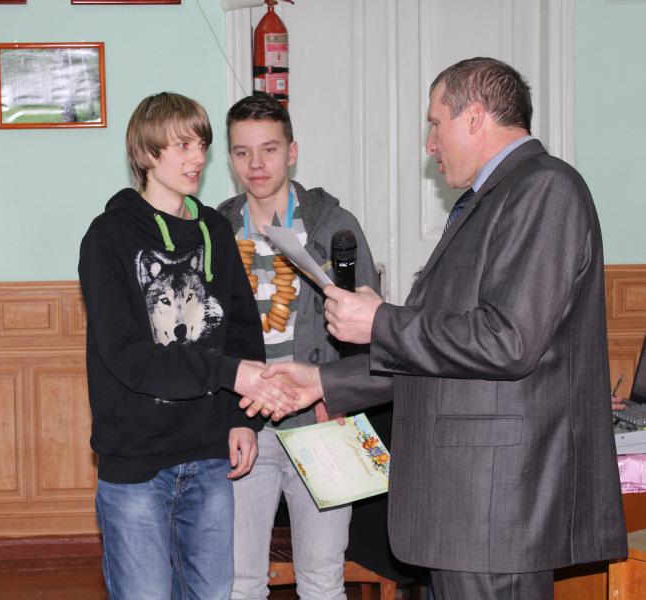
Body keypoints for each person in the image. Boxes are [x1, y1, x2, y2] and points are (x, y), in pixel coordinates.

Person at [248, 57, 628, 599]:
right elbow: (443, 351)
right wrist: (324, 381)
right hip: (467, 508)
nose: (430, 144)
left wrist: (381, 320)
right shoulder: (488, 200)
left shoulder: (544, 188)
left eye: (435, 124)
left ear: (474, 117)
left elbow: (508, 341)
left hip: (498, 508)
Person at [78, 91, 295, 600]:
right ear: (146, 153)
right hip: (136, 464)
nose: (197, 157)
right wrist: (227, 373)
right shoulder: (107, 236)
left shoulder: (214, 229)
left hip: (211, 456)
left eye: (201, 144)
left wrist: (243, 418)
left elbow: (242, 330)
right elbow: (127, 356)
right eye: (181, 146)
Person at [216, 94, 378, 600]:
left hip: (323, 420)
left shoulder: (334, 226)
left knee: (323, 579)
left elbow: (371, 328)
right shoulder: (216, 229)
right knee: (240, 582)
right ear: (229, 157)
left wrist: (341, 396)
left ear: (292, 152)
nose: (256, 164)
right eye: (242, 152)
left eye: (269, 149)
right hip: (246, 422)